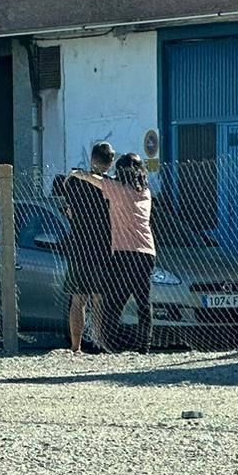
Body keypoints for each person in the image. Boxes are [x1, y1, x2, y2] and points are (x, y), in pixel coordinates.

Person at [71, 153, 156, 353]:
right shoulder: (145, 193)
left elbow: (96, 180)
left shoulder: (117, 190)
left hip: (124, 252)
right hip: (146, 251)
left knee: (115, 301)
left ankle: (113, 343)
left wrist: (79, 174)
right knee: (144, 301)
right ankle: (145, 345)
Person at [55, 141, 114, 353]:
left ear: (92, 159)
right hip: (103, 246)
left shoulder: (74, 183)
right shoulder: (110, 186)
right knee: (99, 298)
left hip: (80, 246)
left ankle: (76, 345)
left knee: (78, 299)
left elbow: (67, 201)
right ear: (110, 163)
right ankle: (99, 341)